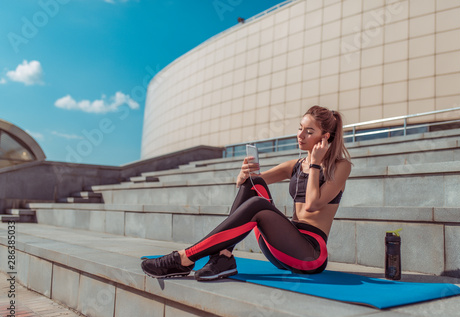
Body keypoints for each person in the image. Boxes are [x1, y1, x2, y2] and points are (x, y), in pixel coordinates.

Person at [141, 105, 352, 280]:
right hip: (281, 247)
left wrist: (315, 164)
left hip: (310, 254)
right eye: (300, 128)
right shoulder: (295, 165)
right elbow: (248, 183)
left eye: (309, 131)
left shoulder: (340, 166)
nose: (300, 135)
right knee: (255, 183)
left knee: (259, 205)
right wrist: (243, 174)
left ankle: (184, 258)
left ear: (325, 137)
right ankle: (223, 256)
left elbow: (312, 204)